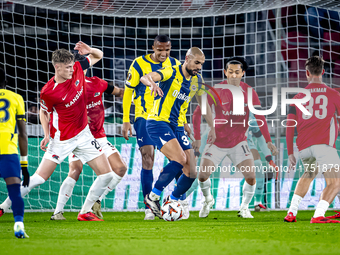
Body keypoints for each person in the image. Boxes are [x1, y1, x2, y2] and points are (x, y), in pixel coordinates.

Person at [0, 42, 114, 221]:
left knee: (107, 174)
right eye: (67, 67)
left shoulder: (77, 68)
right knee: (39, 178)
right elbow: (43, 112)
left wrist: (90, 51)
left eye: (72, 66)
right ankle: (3, 206)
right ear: (57, 67)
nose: (71, 70)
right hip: (62, 139)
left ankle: (85, 212)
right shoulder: (48, 92)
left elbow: (99, 56)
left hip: (83, 134)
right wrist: (46, 134)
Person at [195, 57, 277, 219]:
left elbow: (260, 117)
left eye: (237, 72)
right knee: (202, 176)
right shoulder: (216, 90)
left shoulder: (249, 92)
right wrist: (198, 136)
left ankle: (245, 208)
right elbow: (198, 112)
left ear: (243, 74)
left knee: (252, 177)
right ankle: (207, 200)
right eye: (230, 72)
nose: (233, 75)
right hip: (217, 142)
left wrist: (268, 141)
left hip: (239, 143)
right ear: (225, 72)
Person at [141, 47, 216, 219]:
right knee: (180, 159)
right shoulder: (171, 72)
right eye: (196, 62)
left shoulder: (197, 80)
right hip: (158, 122)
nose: (199, 67)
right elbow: (146, 77)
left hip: (177, 126)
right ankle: (152, 197)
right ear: (187, 58)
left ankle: (172, 200)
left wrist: (212, 127)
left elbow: (204, 105)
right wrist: (151, 83)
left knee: (191, 171)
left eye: (201, 64)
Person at [51, 59, 127, 220]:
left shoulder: (97, 83)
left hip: (99, 136)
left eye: (81, 67)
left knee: (120, 168)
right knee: (75, 170)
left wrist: (137, 90)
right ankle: (58, 212)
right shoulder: (66, 89)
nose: (77, 70)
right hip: (78, 137)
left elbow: (120, 92)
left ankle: (96, 201)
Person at [122, 35, 182, 220]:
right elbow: (128, 91)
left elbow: (180, 94)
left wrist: (183, 121)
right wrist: (126, 120)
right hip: (144, 116)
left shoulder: (176, 65)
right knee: (148, 158)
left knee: (179, 159)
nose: (163, 53)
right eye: (160, 49)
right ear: (153, 48)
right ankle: (149, 206)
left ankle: (179, 201)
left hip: (167, 118)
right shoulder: (139, 63)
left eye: (167, 50)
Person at [284, 56, 340, 223]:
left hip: (304, 147)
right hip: (324, 145)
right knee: (335, 182)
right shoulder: (333, 94)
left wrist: (290, 153)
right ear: (323, 72)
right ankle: (318, 215)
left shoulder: (296, 98)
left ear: (306, 73)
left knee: (308, 174)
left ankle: (291, 212)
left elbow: (289, 128)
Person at [190, 107, 278, 213]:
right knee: (201, 174)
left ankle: (258, 203)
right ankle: (181, 199)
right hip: (218, 144)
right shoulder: (220, 115)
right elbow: (205, 135)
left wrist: (269, 159)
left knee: (258, 165)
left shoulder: (249, 116)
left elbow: (260, 136)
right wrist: (197, 154)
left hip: (242, 144)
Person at [0, 67, 29, 238]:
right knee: (15, 192)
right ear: (6, 82)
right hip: (8, 151)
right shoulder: (16, 98)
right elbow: (23, 134)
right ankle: (18, 224)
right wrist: (24, 165)